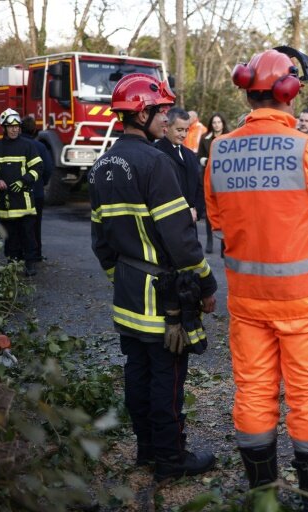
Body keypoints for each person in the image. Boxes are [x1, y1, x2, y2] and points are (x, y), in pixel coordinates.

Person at [206, 46, 308, 507]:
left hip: (248, 302)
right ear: (291, 93)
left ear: (248, 92)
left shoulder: (220, 150)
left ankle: (265, 496)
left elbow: (217, 222)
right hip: (306, 302)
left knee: (252, 393)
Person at [89, 73, 218, 482]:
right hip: (163, 300)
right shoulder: (157, 163)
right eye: (161, 112)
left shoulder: (101, 166)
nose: (166, 119)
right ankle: (171, 460)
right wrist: (206, 282)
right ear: (141, 113)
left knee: (138, 373)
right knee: (168, 378)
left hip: (127, 293)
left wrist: (122, 276)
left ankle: (146, 451)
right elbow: (180, 238)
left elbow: (101, 240)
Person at [0, 108, 41, 277]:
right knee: (10, 236)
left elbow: (38, 167)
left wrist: (24, 180)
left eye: (17, 126)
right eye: (11, 126)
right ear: (4, 127)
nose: (15, 129)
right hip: (5, 202)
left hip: (24, 201)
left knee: (28, 235)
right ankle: (12, 264)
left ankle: (30, 264)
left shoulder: (28, 146)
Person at [156, 108, 205, 223]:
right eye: (179, 130)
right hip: (167, 223)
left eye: (186, 130)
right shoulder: (155, 153)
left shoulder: (190, 155)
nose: (183, 134)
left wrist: (196, 210)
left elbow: (199, 185)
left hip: (190, 224)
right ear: (166, 127)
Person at [20, 115, 53, 262]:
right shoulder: (40, 146)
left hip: (18, 192)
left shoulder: (15, 145)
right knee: (35, 224)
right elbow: (48, 168)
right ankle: (36, 253)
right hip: (37, 192)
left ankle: (19, 253)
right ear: (34, 129)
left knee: (18, 224)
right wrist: (42, 182)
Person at [197, 112, 230, 254]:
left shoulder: (230, 137)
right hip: (208, 178)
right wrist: (208, 161)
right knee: (210, 210)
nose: (216, 125)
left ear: (223, 123)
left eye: (219, 122)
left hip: (225, 179)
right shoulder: (205, 138)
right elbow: (199, 157)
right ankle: (209, 241)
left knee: (225, 211)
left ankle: (224, 243)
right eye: (214, 122)